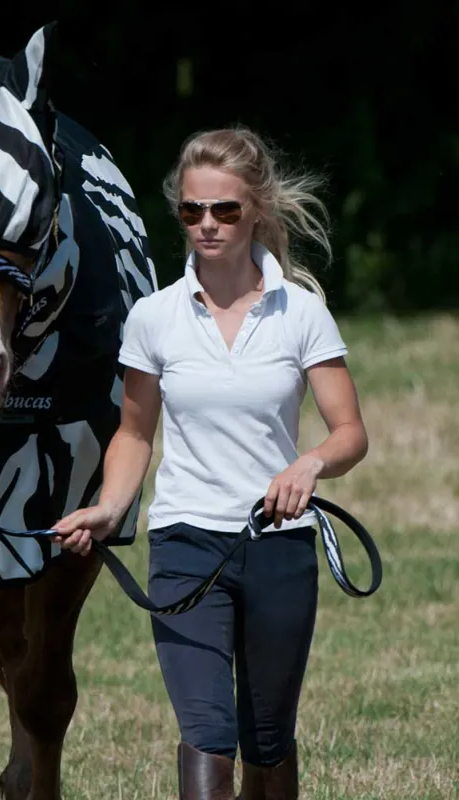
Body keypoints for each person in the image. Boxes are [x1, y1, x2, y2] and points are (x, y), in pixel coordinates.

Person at [52, 127, 368, 800]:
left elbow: (349, 433)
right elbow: (134, 434)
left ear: (255, 208)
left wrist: (308, 466)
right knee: (205, 731)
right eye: (192, 211)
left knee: (268, 738)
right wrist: (109, 508)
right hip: (185, 543)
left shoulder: (301, 314)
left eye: (224, 209)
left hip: (279, 546)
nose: (206, 224)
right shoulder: (154, 318)